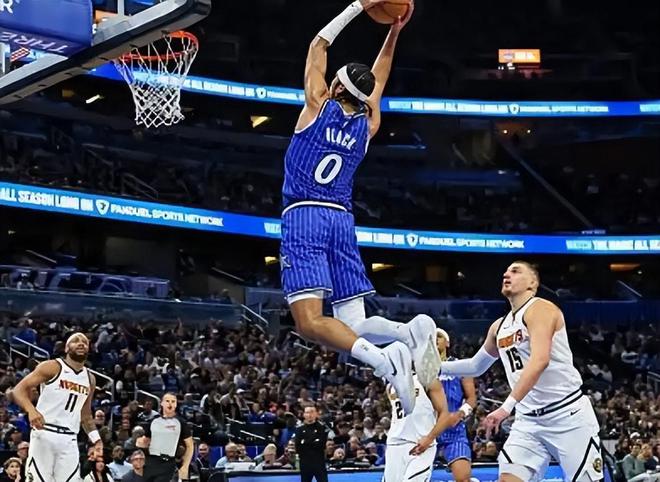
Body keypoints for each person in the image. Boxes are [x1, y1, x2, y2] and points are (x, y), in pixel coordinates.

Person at [279, 0, 439, 415]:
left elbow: (318, 44)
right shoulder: (367, 125)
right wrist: (394, 32)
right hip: (342, 220)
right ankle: (408, 333)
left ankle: (385, 363)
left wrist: (358, 6)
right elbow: (378, 79)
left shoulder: (317, 106)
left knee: (308, 322)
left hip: (305, 216)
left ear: (334, 88)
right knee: (352, 324)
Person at [439, 261, 603, 482]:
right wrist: (436, 367)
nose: (507, 274)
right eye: (506, 271)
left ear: (532, 283)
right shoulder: (499, 326)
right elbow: (476, 366)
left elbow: (540, 360)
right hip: (528, 422)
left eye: (515, 271)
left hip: (567, 415)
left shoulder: (541, 309)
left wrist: (505, 408)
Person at [9, 333, 103, 481]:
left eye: (84, 342)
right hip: (45, 433)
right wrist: (31, 410)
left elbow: (85, 414)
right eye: (75, 341)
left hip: (70, 439)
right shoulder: (52, 366)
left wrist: (96, 439)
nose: (81, 343)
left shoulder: (90, 378)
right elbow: (18, 390)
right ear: (66, 348)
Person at [384, 368, 452, 482]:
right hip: (395, 444)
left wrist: (429, 438)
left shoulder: (429, 380)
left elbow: (445, 415)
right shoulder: (391, 385)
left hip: (421, 445)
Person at [436, 329, 476, 482]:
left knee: (463, 479)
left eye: (439, 336)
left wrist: (460, 414)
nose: (434, 339)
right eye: (430, 337)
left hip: (454, 431)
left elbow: (471, 398)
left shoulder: (461, 366)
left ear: (447, 343)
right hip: (427, 429)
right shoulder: (420, 369)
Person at [138, 393, 194, 482]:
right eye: (167, 401)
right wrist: (141, 443)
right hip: (151, 462)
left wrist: (185, 466)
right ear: (162, 403)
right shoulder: (153, 421)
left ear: (176, 404)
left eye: (173, 401)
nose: (170, 404)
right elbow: (145, 441)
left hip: (169, 463)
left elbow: (190, 446)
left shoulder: (181, 422)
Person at [295, 406, 328, 482]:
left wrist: (305, 442)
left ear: (316, 414)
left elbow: (321, 444)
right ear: (304, 415)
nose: (309, 415)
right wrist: (313, 441)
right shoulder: (299, 429)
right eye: (307, 412)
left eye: (312, 412)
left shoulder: (322, 428)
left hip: (319, 462)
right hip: (305, 462)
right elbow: (298, 447)